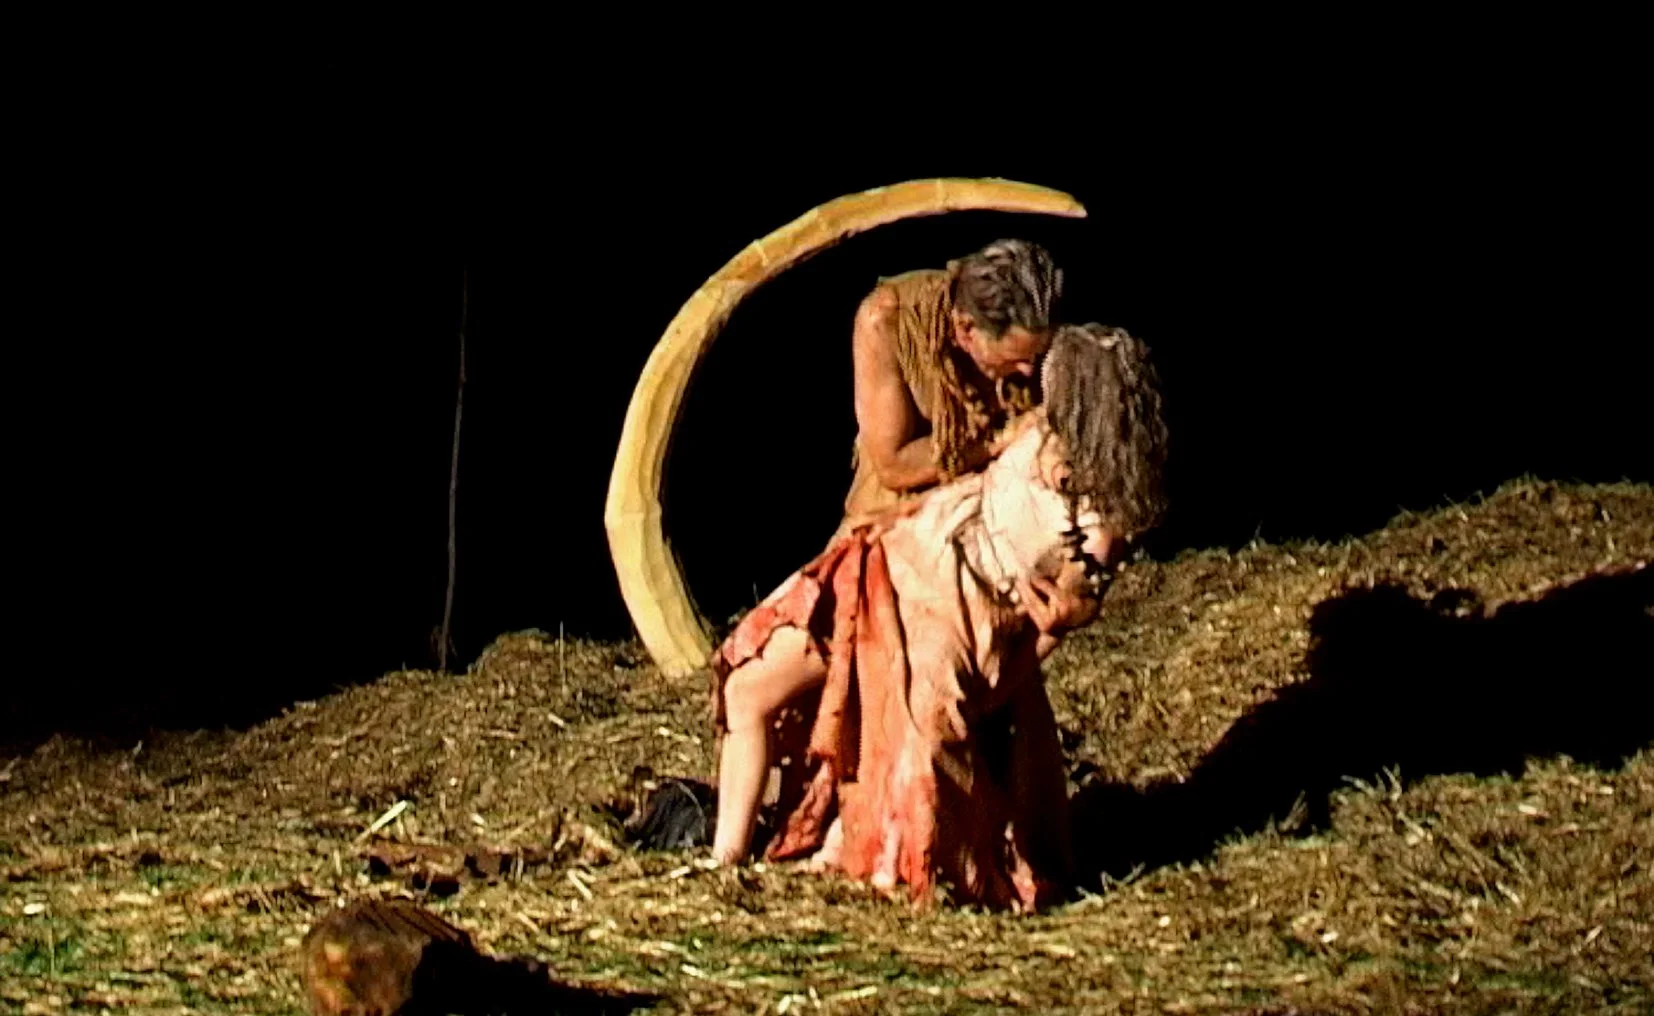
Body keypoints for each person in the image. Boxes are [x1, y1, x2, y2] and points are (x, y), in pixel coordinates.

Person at [708, 323, 1170, 911]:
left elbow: (1055, 620)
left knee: (895, 800)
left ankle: (773, 866)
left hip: (939, 629)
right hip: (890, 562)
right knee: (748, 684)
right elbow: (975, 473)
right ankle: (722, 865)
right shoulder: (1040, 433)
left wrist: (1001, 679)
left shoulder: (1096, 523)